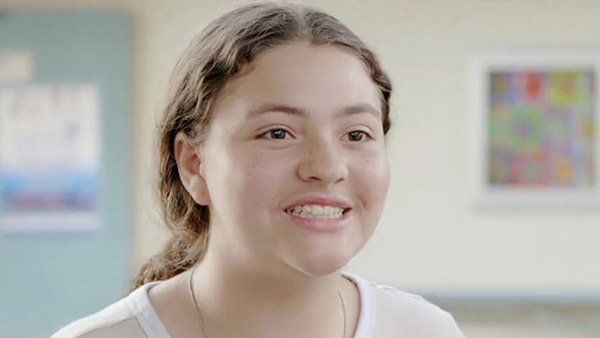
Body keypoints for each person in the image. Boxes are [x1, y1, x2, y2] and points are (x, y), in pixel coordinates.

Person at [52, 1, 465, 337]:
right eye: (278, 133)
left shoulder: (425, 330)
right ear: (193, 164)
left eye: (356, 135)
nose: (326, 168)